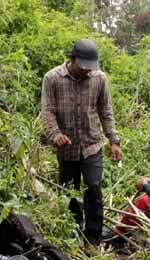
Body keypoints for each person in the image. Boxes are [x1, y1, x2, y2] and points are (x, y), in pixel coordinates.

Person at [41, 39, 122, 247]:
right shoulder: (52, 78)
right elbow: (48, 111)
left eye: (90, 68)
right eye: (83, 67)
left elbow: (105, 112)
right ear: (72, 59)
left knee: (93, 188)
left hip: (92, 145)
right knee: (70, 191)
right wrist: (55, 134)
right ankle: (74, 234)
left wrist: (113, 141)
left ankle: (93, 238)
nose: (87, 72)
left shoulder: (99, 79)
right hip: (66, 148)